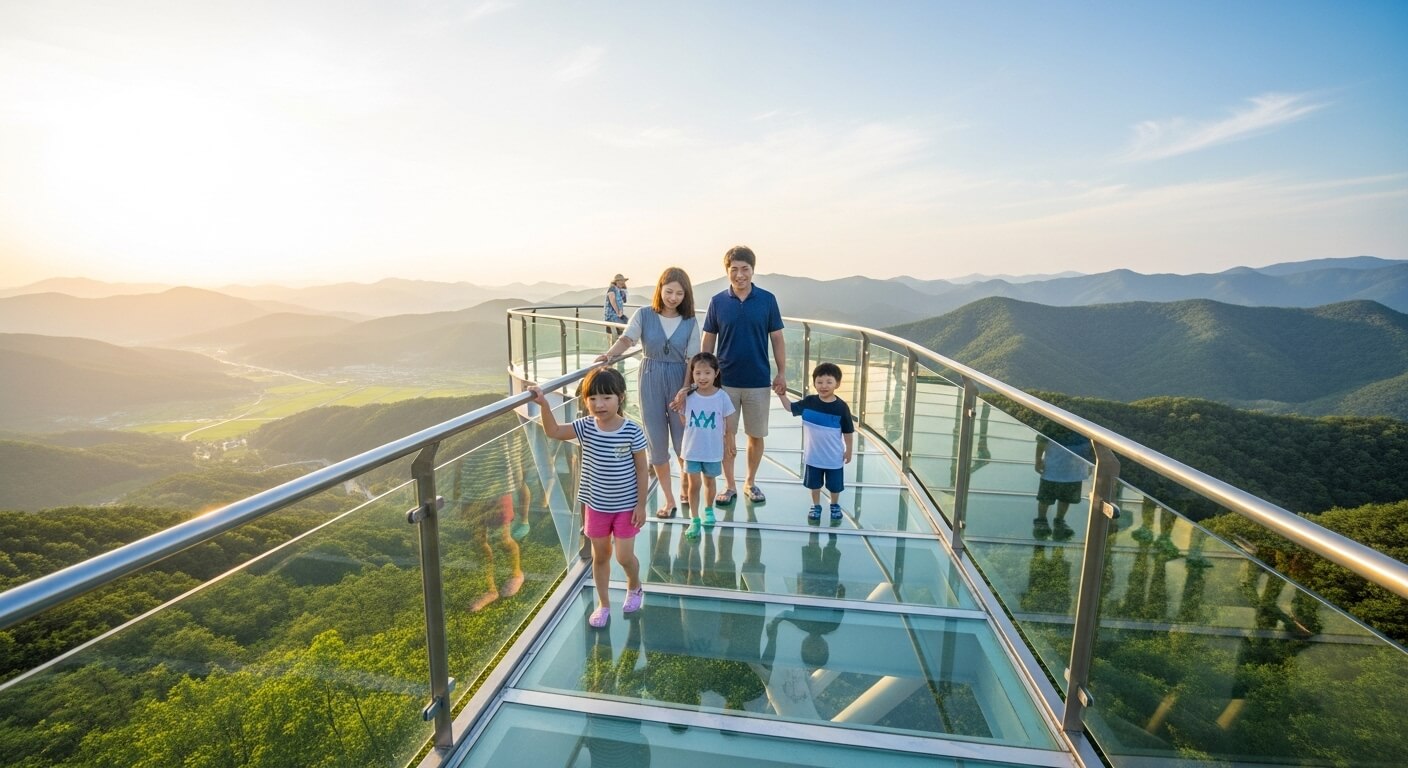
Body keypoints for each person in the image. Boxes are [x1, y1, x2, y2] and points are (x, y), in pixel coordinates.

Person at [529, 367, 647, 629]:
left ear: (620, 398)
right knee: (601, 556)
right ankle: (603, 604)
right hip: (595, 506)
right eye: (592, 398)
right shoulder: (586, 427)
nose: (599, 404)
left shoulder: (631, 430)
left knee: (624, 557)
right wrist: (544, 404)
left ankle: (635, 586)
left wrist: (641, 504)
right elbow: (554, 431)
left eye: (606, 397)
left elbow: (641, 468)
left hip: (627, 506)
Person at [682, 245, 785, 507]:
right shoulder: (718, 302)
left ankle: (750, 481)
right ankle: (729, 486)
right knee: (724, 435)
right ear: (727, 271)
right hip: (724, 383)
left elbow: (777, 337)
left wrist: (781, 372)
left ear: (753, 270)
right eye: (734, 269)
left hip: (758, 380)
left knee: (755, 435)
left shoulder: (767, 300)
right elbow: (708, 340)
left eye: (745, 269)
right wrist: (701, 377)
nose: (740, 275)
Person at [597, 267, 700, 518]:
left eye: (679, 293)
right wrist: (610, 355)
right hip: (650, 379)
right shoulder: (644, 315)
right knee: (656, 442)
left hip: (680, 381)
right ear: (660, 290)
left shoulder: (690, 321)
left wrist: (685, 390)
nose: (673, 298)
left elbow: (692, 359)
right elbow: (628, 339)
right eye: (669, 292)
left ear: (685, 295)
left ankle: (686, 484)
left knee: (683, 441)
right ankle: (669, 498)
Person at [448, 429, 525, 612]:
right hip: (472, 493)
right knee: (478, 542)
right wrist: (457, 493)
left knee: (503, 539)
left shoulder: (499, 427)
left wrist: (517, 482)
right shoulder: (464, 429)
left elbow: (512, 452)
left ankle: (516, 573)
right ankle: (490, 590)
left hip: (497, 491)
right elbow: (459, 461)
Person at [777, 362, 854, 523]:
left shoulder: (841, 407)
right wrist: (781, 395)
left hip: (834, 457)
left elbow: (848, 432)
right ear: (814, 383)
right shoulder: (809, 402)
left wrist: (849, 450)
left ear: (837, 384)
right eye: (819, 382)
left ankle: (834, 504)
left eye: (829, 382)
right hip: (813, 456)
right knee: (814, 485)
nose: (823, 386)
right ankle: (816, 505)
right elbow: (790, 408)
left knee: (834, 485)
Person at [678, 352, 737, 540]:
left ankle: (708, 510)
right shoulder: (688, 397)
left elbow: (729, 421)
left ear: (716, 373)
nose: (702, 377)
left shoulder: (722, 397)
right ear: (692, 374)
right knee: (693, 484)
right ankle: (694, 519)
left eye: (707, 373)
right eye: (697, 373)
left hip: (712, 450)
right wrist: (680, 397)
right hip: (692, 450)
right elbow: (683, 420)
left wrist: (730, 442)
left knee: (710, 481)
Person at [1033, 427, 1093, 541]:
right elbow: (1041, 441)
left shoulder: (1084, 427)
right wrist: (1038, 459)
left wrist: (1089, 464)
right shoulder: (1053, 425)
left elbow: (1091, 449)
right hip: (1053, 470)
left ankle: (1059, 520)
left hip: (1073, 472)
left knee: (1065, 499)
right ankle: (1041, 520)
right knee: (1045, 498)